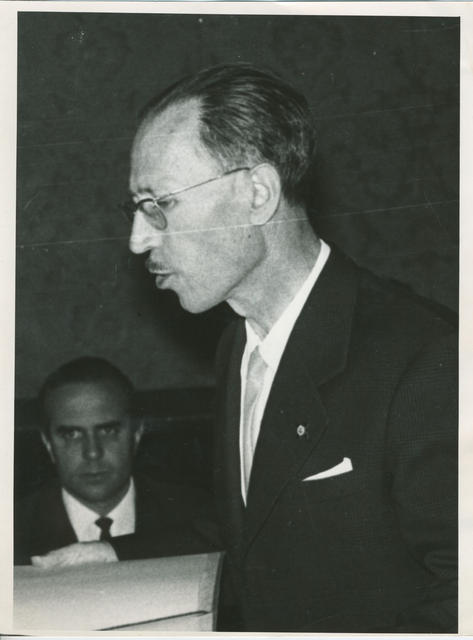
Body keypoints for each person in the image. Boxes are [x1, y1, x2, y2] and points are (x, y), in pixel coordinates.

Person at [34, 63, 457, 632]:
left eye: (159, 204)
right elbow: (258, 528)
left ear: (258, 193)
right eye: (135, 208)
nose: (138, 240)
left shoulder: (429, 359)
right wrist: (113, 553)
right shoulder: (237, 344)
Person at [15, 356, 215, 566]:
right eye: (72, 435)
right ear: (47, 443)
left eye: (108, 431)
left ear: (136, 434)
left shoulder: (199, 516)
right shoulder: (11, 528)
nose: (92, 452)